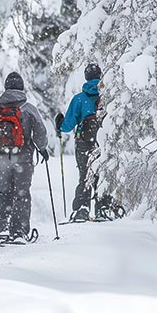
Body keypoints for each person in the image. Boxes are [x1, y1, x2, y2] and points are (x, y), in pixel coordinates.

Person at [0, 72, 48, 243]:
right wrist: (42, 148)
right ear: (21, 87)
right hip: (23, 158)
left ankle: (4, 226)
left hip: (2, 158)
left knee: (4, 193)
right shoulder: (29, 108)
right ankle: (19, 231)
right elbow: (40, 131)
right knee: (22, 194)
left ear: (6, 87)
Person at [55, 63, 102, 222]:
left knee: (84, 175)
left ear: (86, 77)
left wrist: (60, 124)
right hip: (103, 142)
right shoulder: (107, 96)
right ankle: (105, 207)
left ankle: (82, 209)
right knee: (104, 175)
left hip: (84, 143)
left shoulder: (79, 99)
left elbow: (67, 126)